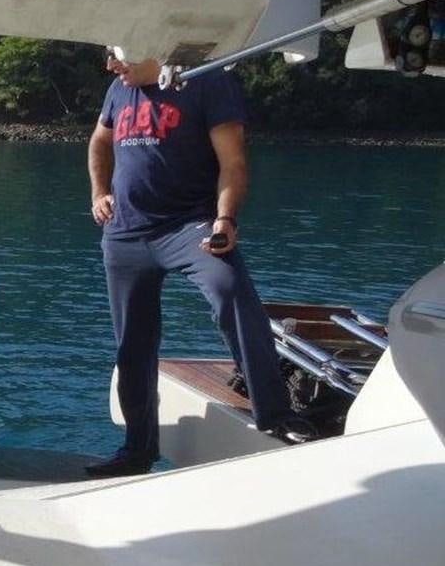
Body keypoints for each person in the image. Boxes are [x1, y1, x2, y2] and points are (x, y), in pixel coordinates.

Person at [85, 48, 313, 477]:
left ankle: (276, 412)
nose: (111, 67)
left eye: (118, 58)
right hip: (126, 234)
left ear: (150, 50)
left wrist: (225, 218)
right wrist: (99, 193)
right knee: (132, 342)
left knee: (229, 289)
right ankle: (137, 450)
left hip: (189, 227)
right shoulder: (119, 90)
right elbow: (99, 139)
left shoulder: (206, 82)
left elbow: (233, 161)